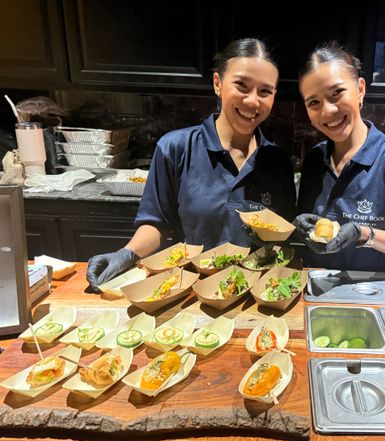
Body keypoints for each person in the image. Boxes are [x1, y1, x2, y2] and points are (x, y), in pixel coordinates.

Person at [86, 38, 296, 290]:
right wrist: (128, 253)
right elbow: (156, 224)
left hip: (257, 293)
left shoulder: (277, 161)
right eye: (241, 85)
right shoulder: (176, 148)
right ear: (218, 84)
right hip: (192, 290)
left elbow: (280, 238)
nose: (253, 101)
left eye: (265, 91)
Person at [293, 43, 385, 272]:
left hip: (374, 291)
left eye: (337, 93)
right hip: (317, 286)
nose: (327, 111)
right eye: (314, 102)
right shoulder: (316, 158)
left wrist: (362, 233)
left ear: (360, 89)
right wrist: (299, 226)